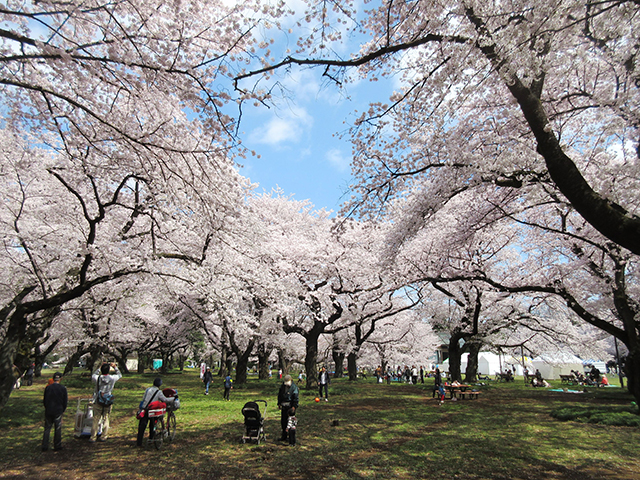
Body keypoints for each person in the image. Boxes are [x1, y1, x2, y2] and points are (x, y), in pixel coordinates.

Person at [136, 377, 176, 447]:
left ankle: (139, 442)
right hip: (152, 410)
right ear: (160, 385)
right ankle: (151, 438)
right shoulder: (159, 392)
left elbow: (143, 398)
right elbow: (165, 399)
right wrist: (173, 398)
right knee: (152, 424)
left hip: (145, 409)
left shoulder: (147, 389)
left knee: (142, 426)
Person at [90, 362, 122, 443]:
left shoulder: (97, 378)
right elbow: (119, 375)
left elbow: (93, 375)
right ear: (109, 370)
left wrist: (99, 367)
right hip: (108, 401)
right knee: (106, 418)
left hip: (98, 400)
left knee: (96, 419)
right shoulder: (112, 378)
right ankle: (104, 436)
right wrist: (115, 367)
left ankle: (93, 437)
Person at [42, 372, 67, 451]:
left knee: (47, 428)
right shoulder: (63, 388)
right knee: (58, 428)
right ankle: (57, 445)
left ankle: (45, 446)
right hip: (58, 410)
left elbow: (45, 400)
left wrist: (47, 407)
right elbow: (65, 401)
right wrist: (63, 409)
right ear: (60, 379)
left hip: (49, 410)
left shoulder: (48, 388)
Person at [277, 374, 299, 442]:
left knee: (290, 423)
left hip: (290, 407)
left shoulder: (294, 387)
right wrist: (279, 403)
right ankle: (284, 435)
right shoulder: (282, 386)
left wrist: (294, 406)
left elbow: (295, 398)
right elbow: (280, 395)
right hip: (284, 406)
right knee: (283, 422)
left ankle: (291, 437)